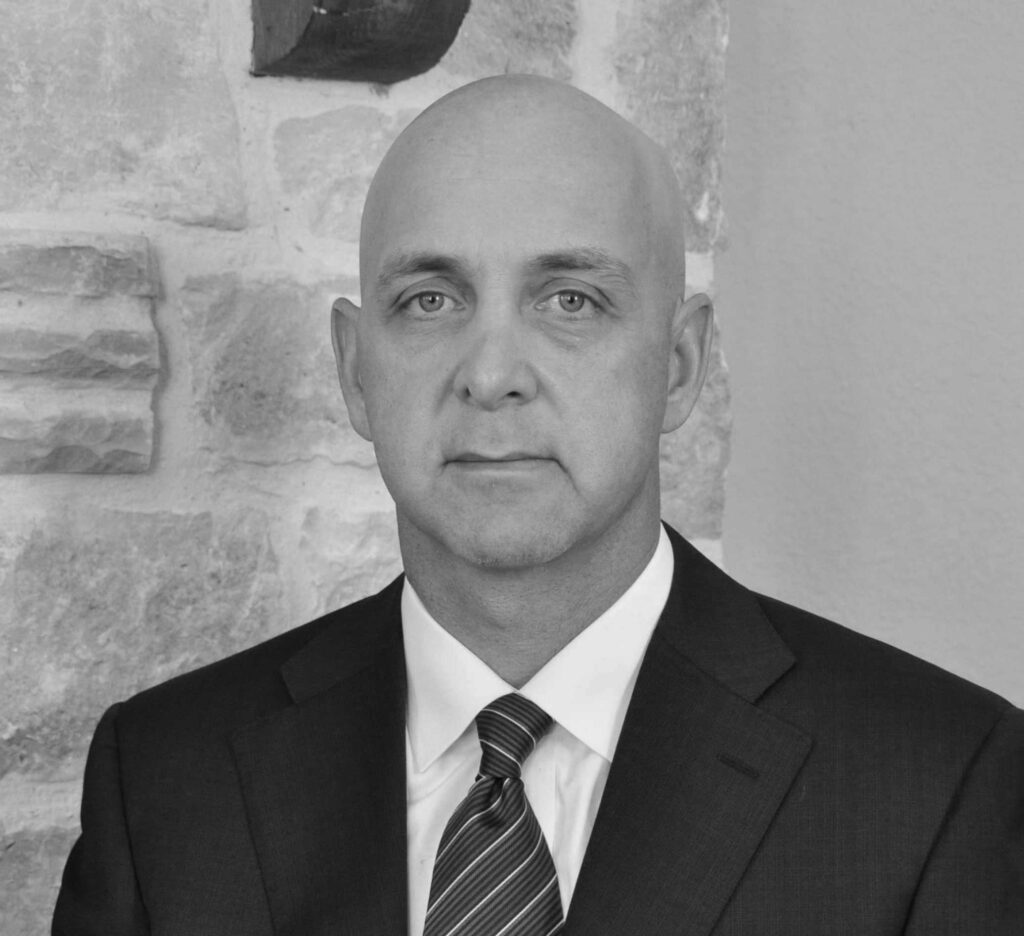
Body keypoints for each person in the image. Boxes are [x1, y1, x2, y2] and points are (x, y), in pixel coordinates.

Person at [53, 75, 1023, 936]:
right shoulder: (167, 781)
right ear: (355, 371)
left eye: (570, 300)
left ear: (678, 364)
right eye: (431, 299)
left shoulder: (936, 784)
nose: (491, 374)